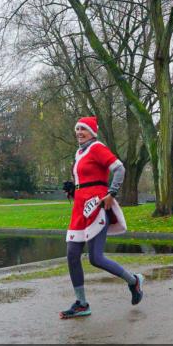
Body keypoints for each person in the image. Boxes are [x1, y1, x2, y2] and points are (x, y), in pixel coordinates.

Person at [60, 116, 143, 319]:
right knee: (72, 254)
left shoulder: (97, 147)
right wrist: (74, 188)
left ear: (92, 132)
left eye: (84, 129)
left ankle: (134, 281)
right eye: (77, 128)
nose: (79, 132)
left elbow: (119, 168)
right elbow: (86, 177)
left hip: (96, 205)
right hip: (80, 208)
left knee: (96, 258)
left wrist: (112, 193)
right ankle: (81, 303)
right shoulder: (79, 152)